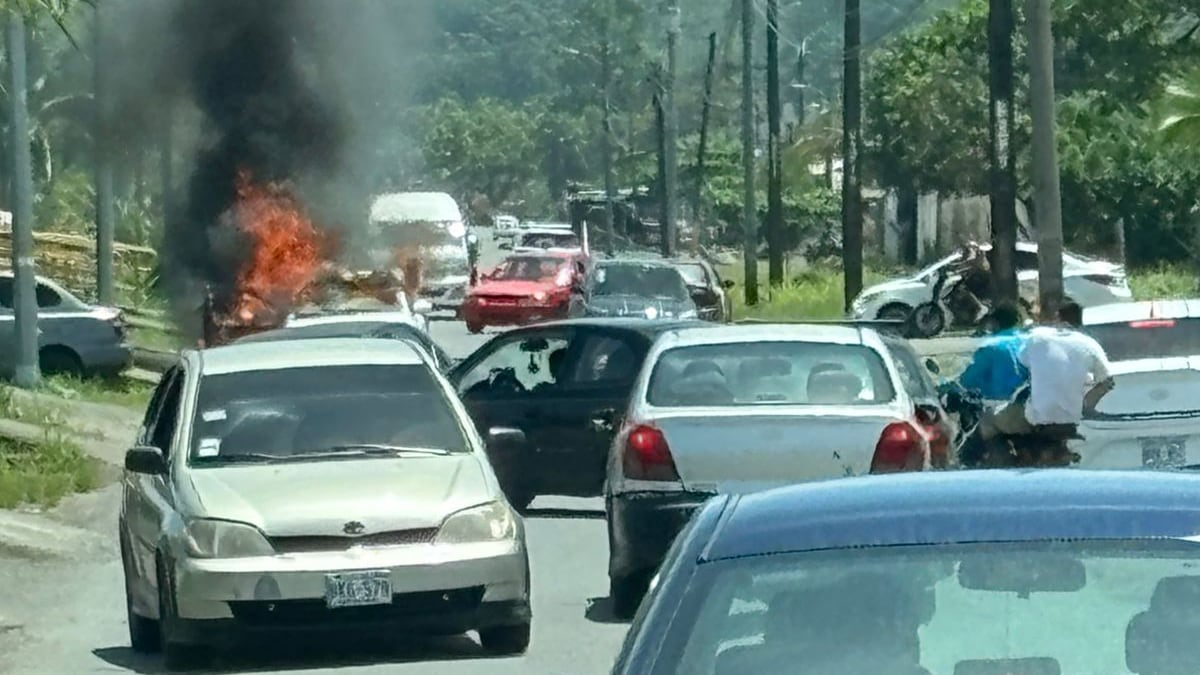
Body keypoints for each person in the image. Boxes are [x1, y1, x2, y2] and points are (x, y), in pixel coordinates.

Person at [979, 301, 1114, 441]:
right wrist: (1085, 406)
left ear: (1057, 317)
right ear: (1080, 320)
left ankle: (999, 462)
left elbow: (1023, 365)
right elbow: (1108, 382)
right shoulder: (1089, 344)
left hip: (1036, 418)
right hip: (1074, 420)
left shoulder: (1037, 338)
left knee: (988, 419)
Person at [957, 301, 1029, 403]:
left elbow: (968, 380)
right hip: (1030, 402)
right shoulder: (1028, 342)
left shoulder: (991, 346)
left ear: (995, 323)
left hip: (1000, 404)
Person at [951, 241, 992, 323]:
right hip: (981, 278)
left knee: (964, 288)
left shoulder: (981, 257)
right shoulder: (977, 256)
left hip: (983, 281)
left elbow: (978, 267)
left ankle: (980, 307)